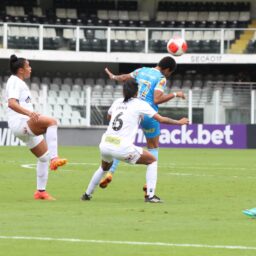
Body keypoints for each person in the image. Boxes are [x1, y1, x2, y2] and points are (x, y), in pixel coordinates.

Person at [81, 79, 189, 202]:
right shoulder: (140, 104)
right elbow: (161, 119)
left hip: (106, 143)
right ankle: (150, 196)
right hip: (122, 147)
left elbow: (109, 116)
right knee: (152, 161)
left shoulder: (117, 102)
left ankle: (87, 194)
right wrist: (179, 122)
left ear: (123, 92)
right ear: (136, 92)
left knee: (103, 168)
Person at [100, 56, 186, 197]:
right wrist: (175, 94)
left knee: (122, 142)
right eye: (170, 72)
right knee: (153, 147)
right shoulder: (161, 78)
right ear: (167, 69)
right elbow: (157, 99)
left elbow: (124, 78)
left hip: (133, 112)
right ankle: (149, 186)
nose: (169, 75)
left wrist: (113, 76)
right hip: (148, 113)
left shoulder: (142, 70)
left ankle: (110, 172)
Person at [5, 54, 67, 200]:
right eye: (28, 66)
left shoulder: (18, 82)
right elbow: (12, 103)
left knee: (43, 158)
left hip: (23, 125)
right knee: (52, 122)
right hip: (21, 123)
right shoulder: (14, 81)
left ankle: (40, 192)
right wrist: (30, 113)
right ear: (21, 70)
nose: (30, 68)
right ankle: (55, 157)